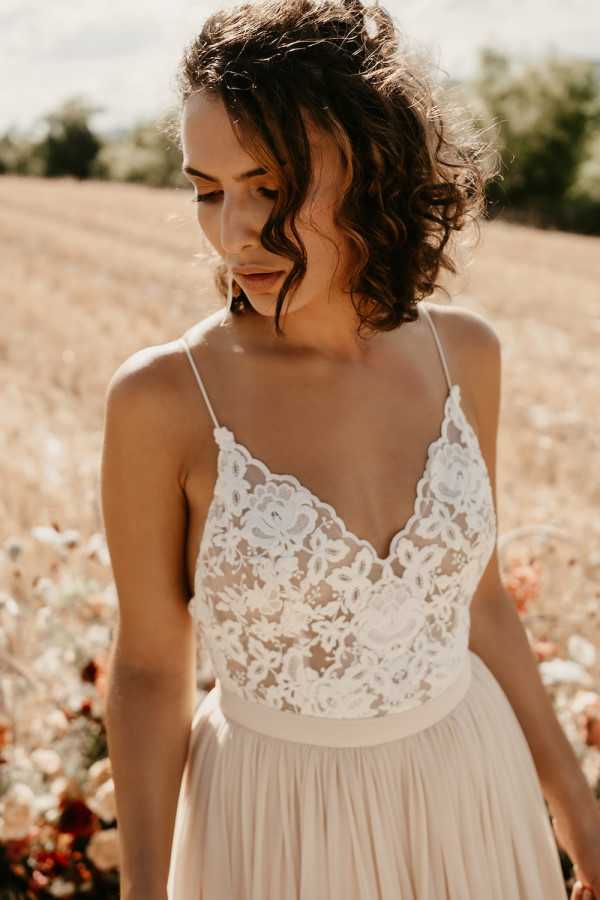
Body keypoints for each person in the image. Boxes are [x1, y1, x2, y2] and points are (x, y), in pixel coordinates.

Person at [100, 0, 600, 898]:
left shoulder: (466, 356)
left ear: (370, 165)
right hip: (274, 828)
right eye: (207, 190)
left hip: (469, 793)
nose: (232, 231)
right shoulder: (165, 397)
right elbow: (146, 667)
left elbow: (480, 606)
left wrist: (576, 810)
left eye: (268, 185)